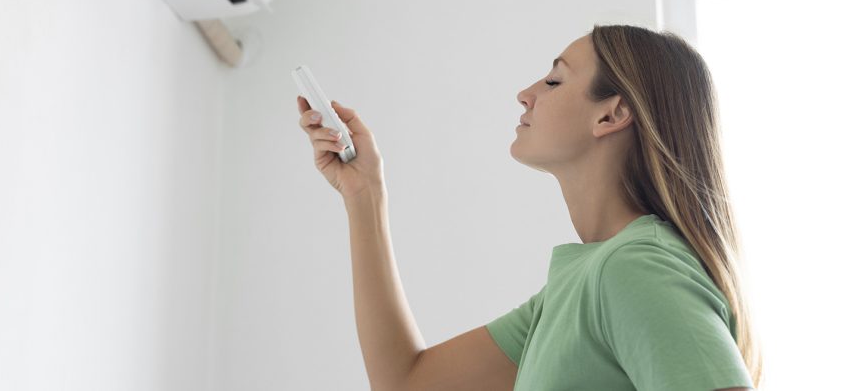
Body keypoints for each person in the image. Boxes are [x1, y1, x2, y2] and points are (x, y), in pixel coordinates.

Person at [296, 24, 762, 390]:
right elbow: (406, 383)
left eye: (555, 80)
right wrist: (365, 195)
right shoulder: (580, 285)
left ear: (612, 114)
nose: (526, 93)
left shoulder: (634, 268)